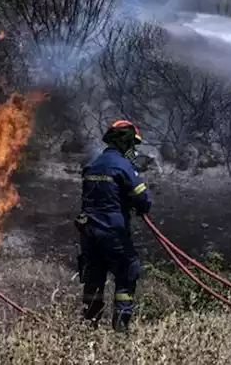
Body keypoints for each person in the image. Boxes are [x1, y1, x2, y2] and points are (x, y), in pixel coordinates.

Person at [77, 119, 152, 331]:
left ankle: (89, 324)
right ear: (125, 142)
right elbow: (143, 199)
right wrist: (137, 205)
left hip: (89, 232)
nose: (133, 150)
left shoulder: (92, 164)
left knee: (94, 276)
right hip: (113, 232)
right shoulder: (123, 166)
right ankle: (121, 326)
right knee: (128, 269)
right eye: (132, 145)